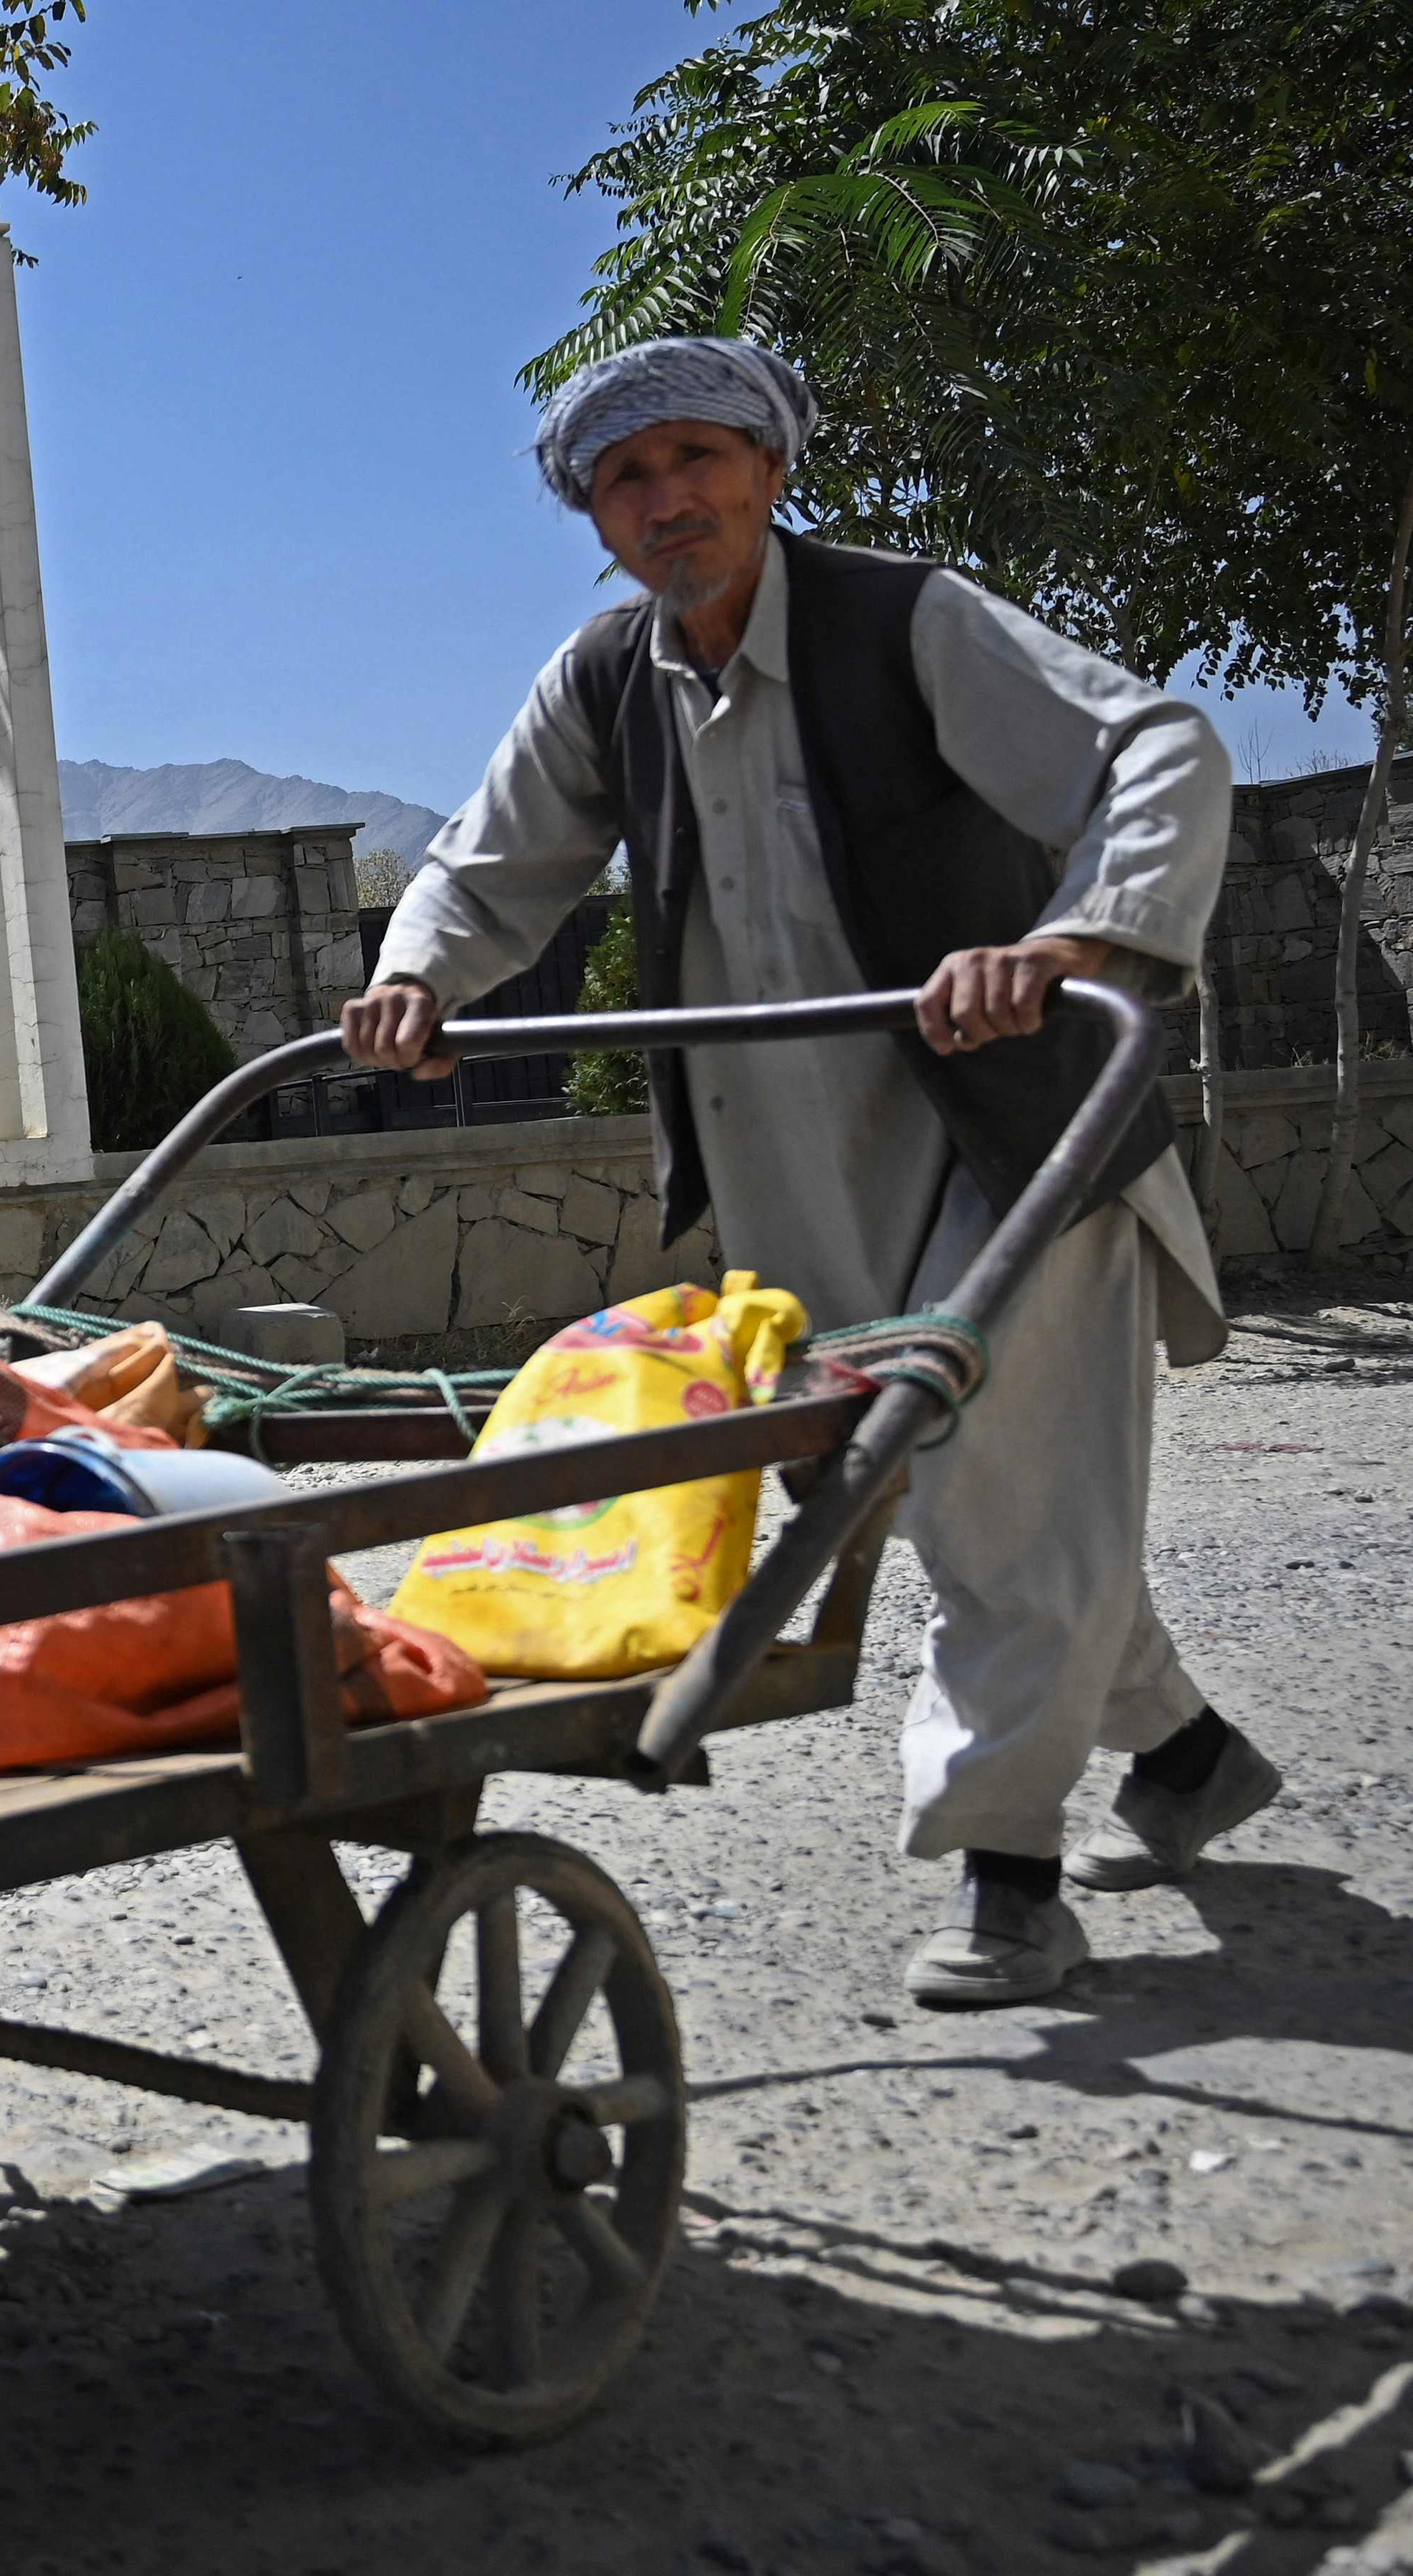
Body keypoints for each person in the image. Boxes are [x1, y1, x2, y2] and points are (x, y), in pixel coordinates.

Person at [346, 335, 1281, 2008]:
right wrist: (423, 973)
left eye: (698, 459)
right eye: (629, 480)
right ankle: (1189, 1751)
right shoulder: (608, 679)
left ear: (769, 473)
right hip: (787, 1156)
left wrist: (1075, 935)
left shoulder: (906, 621)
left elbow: (1157, 752)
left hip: (1010, 1135)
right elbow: (491, 863)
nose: (667, 500)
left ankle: (1009, 1879)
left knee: (992, 1486)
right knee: (943, 1494)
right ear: (600, 521)